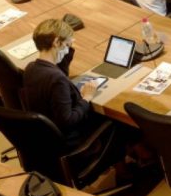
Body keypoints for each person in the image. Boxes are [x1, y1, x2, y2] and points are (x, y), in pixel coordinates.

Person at [22, 18, 107, 147]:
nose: (67, 50)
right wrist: (87, 98)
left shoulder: (30, 68)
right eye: (67, 45)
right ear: (56, 42)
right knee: (116, 125)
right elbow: (68, 120)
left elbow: (59, 71)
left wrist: (67, 44)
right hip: (72, 140)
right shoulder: (57, 79)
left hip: (46, 137)